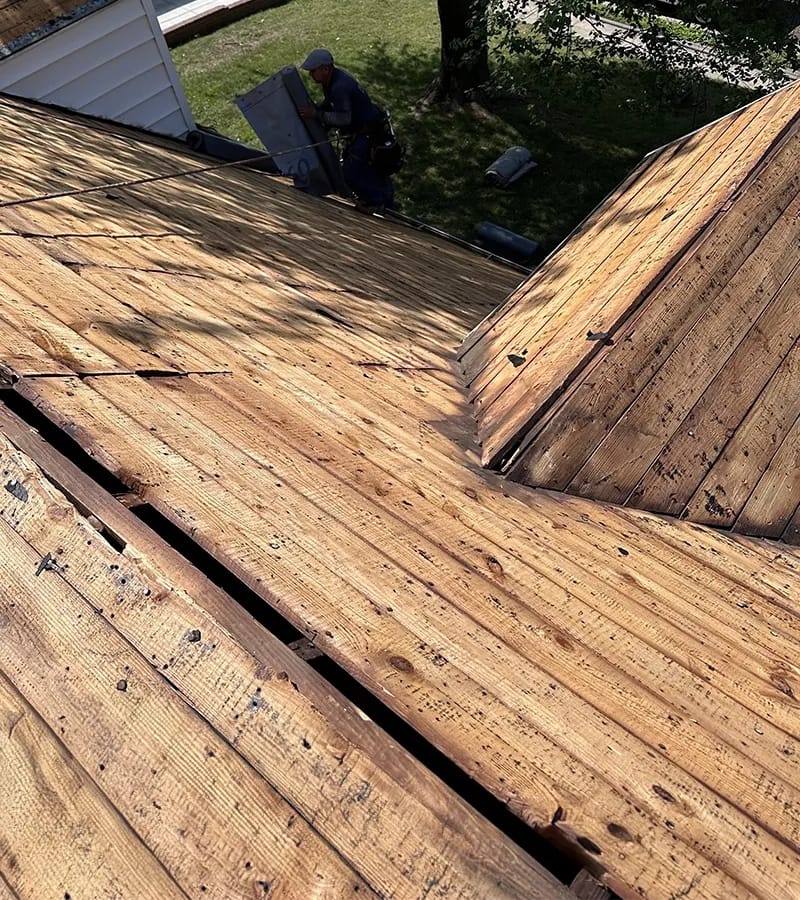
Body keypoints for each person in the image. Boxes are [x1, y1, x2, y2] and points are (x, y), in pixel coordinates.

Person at [299, 48, 395, 213]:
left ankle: (375, 203)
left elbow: (344, 119)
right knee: (373, 170)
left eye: (313, 71)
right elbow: (331, 103)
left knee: (352, 172)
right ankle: (389, 207)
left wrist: (317, 114)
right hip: (370, 128)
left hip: (367, 133)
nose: (311, 75)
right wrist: (320, 111)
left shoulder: (339, 87)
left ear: (325, 69)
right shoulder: (332, 80)